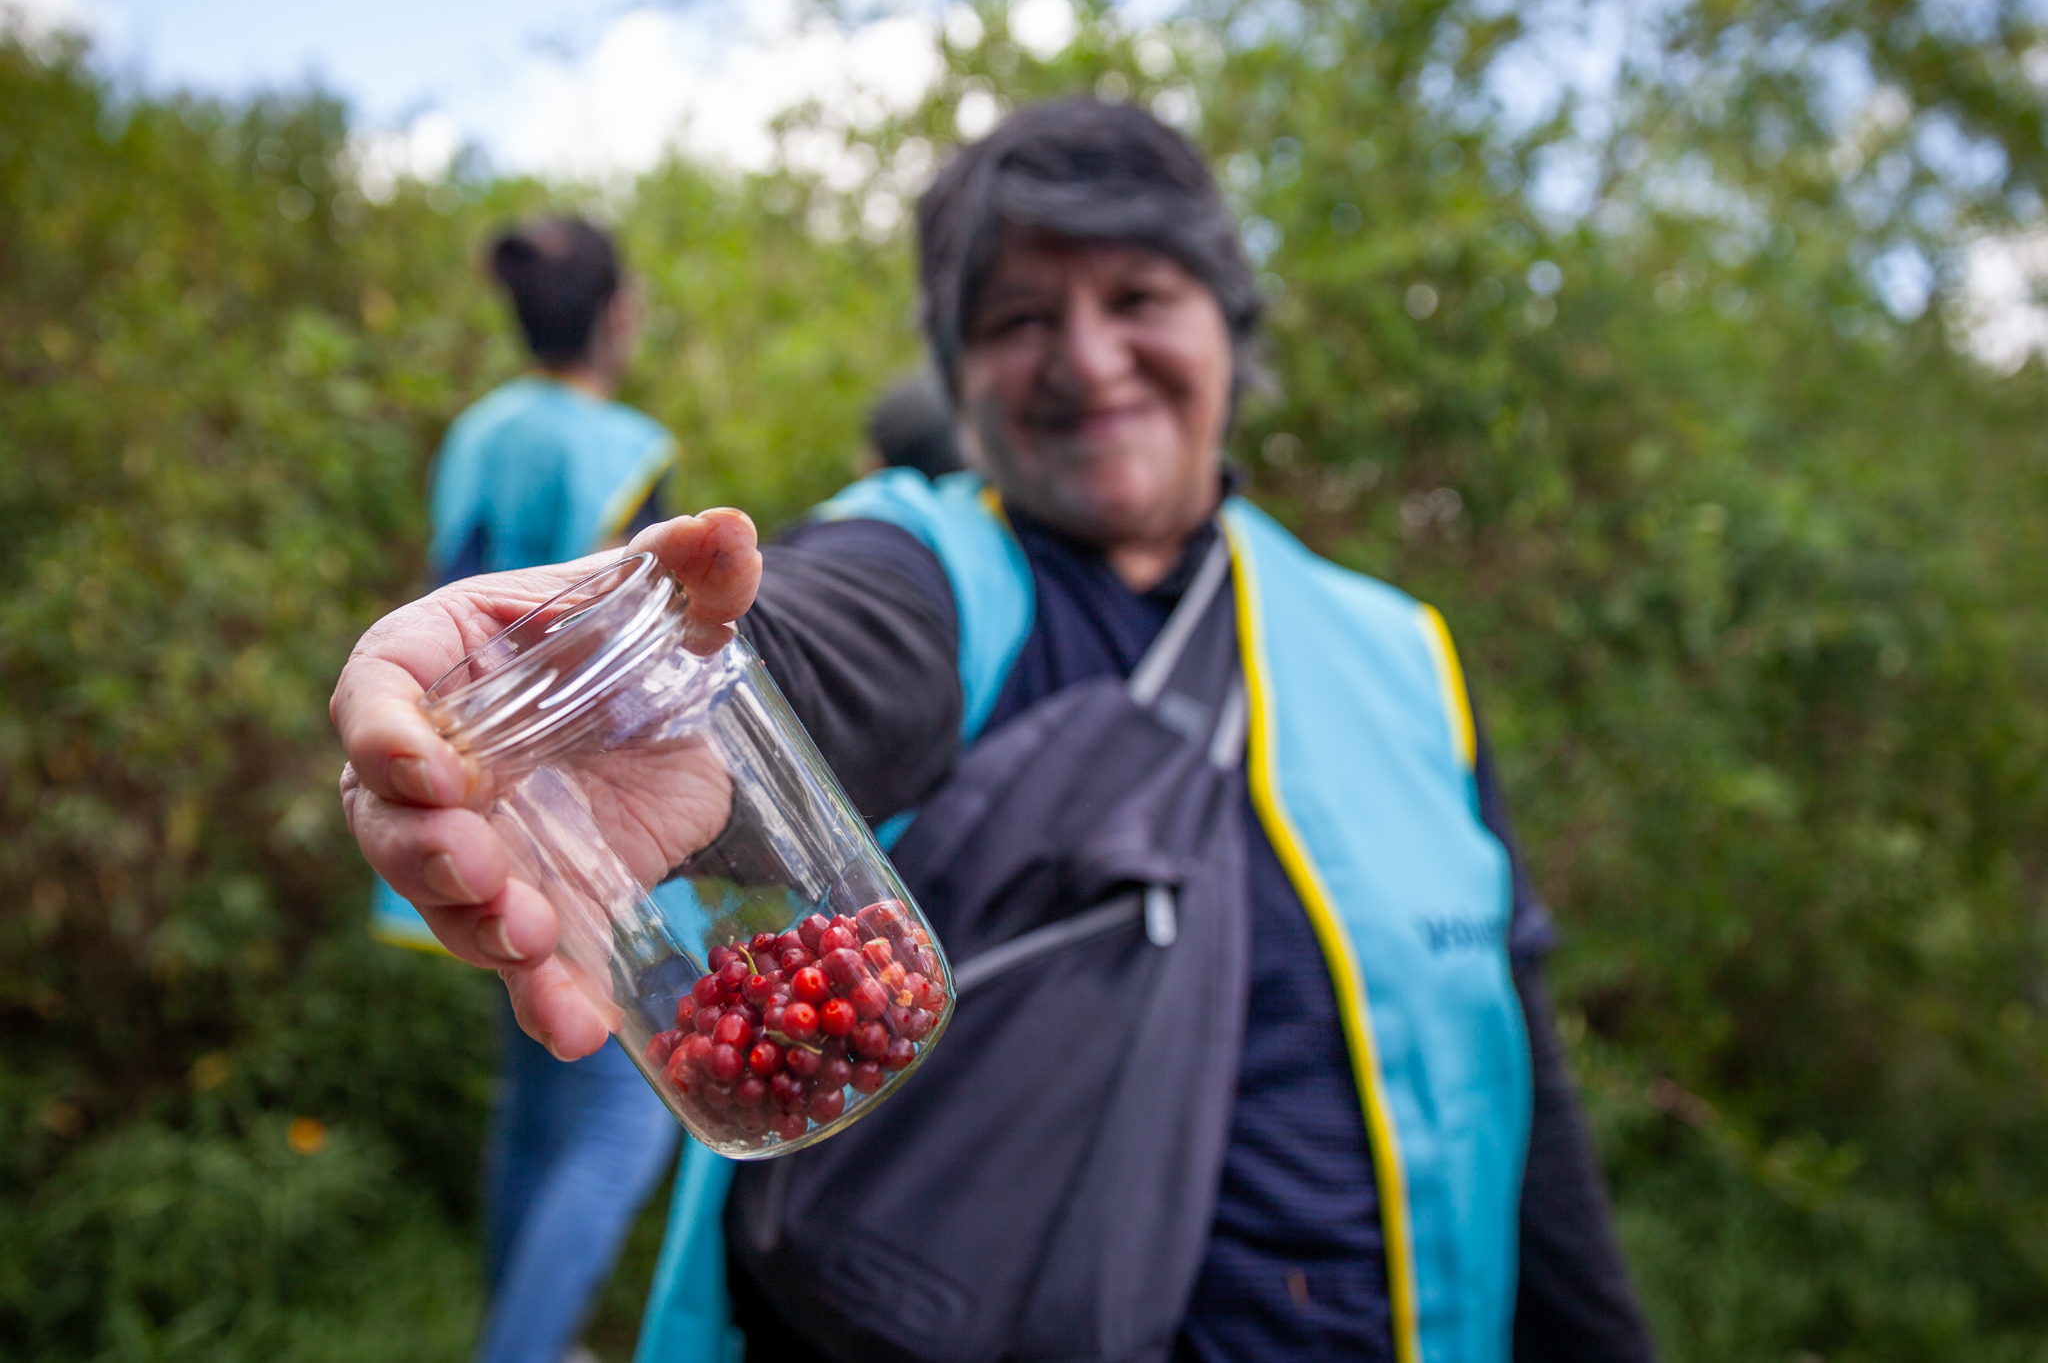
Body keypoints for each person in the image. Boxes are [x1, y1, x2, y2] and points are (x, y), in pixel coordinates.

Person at [334, 101, 1656, 1362]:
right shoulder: (936, 566)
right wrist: (640, 696)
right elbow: (820, 631)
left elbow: (1514, 1068)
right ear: (961, 372)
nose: (1087, 359)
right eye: (1022, 317)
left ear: (1227, 327)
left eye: (1139, 298)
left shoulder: (1399, 653)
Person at [367, 215, 682, 1363]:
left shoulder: (476, 429)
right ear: (615, 314)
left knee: (538, 1081)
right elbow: (644, 657)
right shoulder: (623, 446)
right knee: (619, 1119)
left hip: (459, 800)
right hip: (584, 822)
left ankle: (526, 1334)